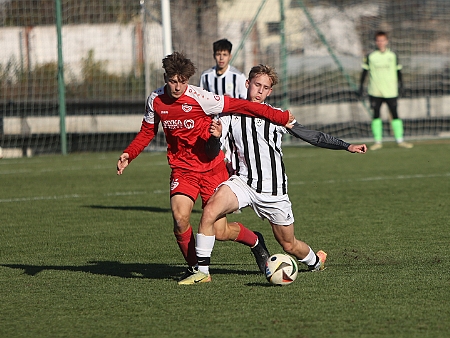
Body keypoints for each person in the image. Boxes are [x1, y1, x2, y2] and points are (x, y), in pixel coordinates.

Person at [178, 64, 367, 285]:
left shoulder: (276, 115)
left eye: (265, 87)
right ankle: (202, 272)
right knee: (209, 211)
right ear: (247, 84)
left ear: (270, 92)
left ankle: (316, 261)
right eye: (256, 85)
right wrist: (214, 136)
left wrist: (346, 146)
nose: (259, 91)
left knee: (289, 245)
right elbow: (211, 151)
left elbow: (311, 136)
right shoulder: (229, 114)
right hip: (244, 183)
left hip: (274, 191)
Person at [116, 52, 294, 282]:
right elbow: (147, 131)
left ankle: (255, 241)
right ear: (166, 78)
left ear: (188, 80)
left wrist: (279, 117)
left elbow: (242, 106)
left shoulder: (202, 98)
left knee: (220, 232)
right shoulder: (156, 100)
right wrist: (130, 153)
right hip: (183, 169)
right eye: (172, 81)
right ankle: (196, 270)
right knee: (180, 219)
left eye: (182, 81)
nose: (177, 86)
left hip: (212, 168)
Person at [359, 31, 413, 151]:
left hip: (391, 91)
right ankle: (377, 141)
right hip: (375, 91)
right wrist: (361, 87)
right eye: (378, 40)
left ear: (386, 41)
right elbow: (364, 72)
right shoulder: (370, 56)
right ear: (375, 42)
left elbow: (398, 71)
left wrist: (402, 85)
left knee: (395, 114)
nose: (380, 42)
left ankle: (400, 140)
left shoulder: (393, 56)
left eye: (382, 40)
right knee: (376, 115)